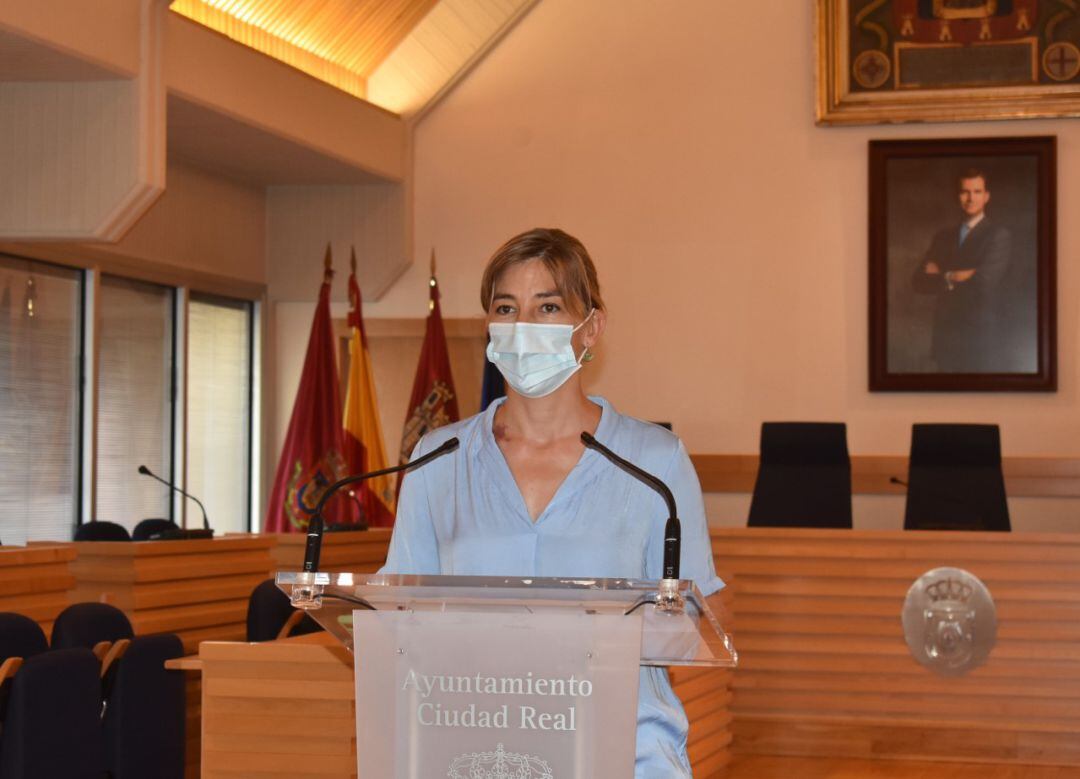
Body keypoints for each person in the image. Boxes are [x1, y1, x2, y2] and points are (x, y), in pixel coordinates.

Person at [381, 227, 724, 777]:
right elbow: (398, 615)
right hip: (474, 748)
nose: (524, 327)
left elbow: (693, 619)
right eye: (507, 308)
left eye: (548, 307)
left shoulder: (653, 461)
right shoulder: (438, 458)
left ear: (591, 328)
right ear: (491, 330)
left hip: (624, 753)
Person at [911, 168, 1011, 372]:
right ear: (958, 196)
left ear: (986, 196)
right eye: (965, 192)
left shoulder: (998, 235)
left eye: (977, 191)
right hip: (946, 338)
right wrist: (958, 275)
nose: (970, 198)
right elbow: (919, 281)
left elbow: (984, 281)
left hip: (980, 340)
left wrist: (942, 274)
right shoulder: (943, 236)